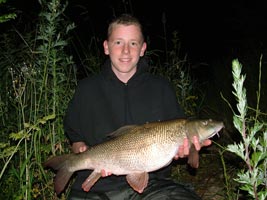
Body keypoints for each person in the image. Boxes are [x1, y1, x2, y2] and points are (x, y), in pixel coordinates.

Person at [64, 13, 211, 200]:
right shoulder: (86, 89)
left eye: (133, 43)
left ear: (142, 49)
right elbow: (74, 134)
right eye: (118, 42)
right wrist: (79, 147)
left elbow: (179, 136)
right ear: (106, 47)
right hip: (95, 188)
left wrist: (184, 151)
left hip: (153, 186)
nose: (126, 51)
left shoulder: (161, 87)